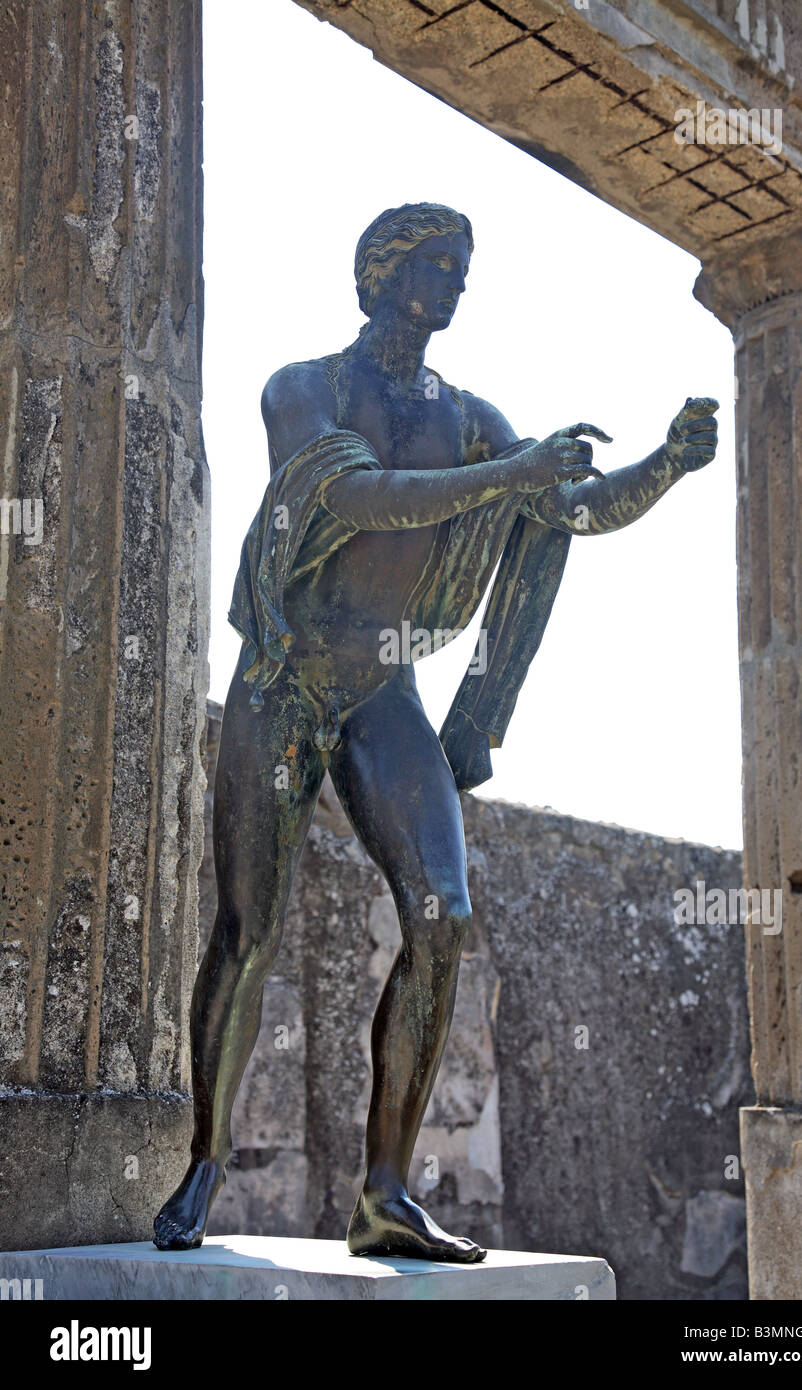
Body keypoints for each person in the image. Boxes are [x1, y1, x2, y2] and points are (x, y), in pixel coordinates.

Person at [154, 202, 718, 1261]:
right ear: (379, 274)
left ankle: (383, 1194)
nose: (457, 281)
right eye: (438, 264)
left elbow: (569, 509)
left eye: (465, 267)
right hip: (285, 679)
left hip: (383, 692)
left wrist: (663, 464)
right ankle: (205, 1161)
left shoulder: (469, 416)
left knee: (440, 916)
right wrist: (510, 475)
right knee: (250, 929)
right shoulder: (303, 387)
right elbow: (357, 498)